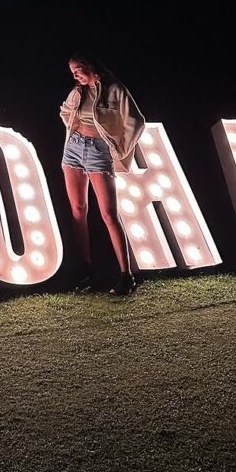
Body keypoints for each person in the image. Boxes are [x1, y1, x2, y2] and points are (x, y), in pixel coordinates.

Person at [59, 53, 145, 295]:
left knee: (108, 213)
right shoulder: (79, 91)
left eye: (78, 69)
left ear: (90, 66)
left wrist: (117, 148)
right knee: (78, 210)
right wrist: (73, 130)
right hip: (74, 148)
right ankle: (85, 271)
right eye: (72, 72)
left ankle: (126, 275)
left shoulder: (115, 89)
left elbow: (136, 121)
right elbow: (65, 112)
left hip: (99, 152)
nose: (75, 75)